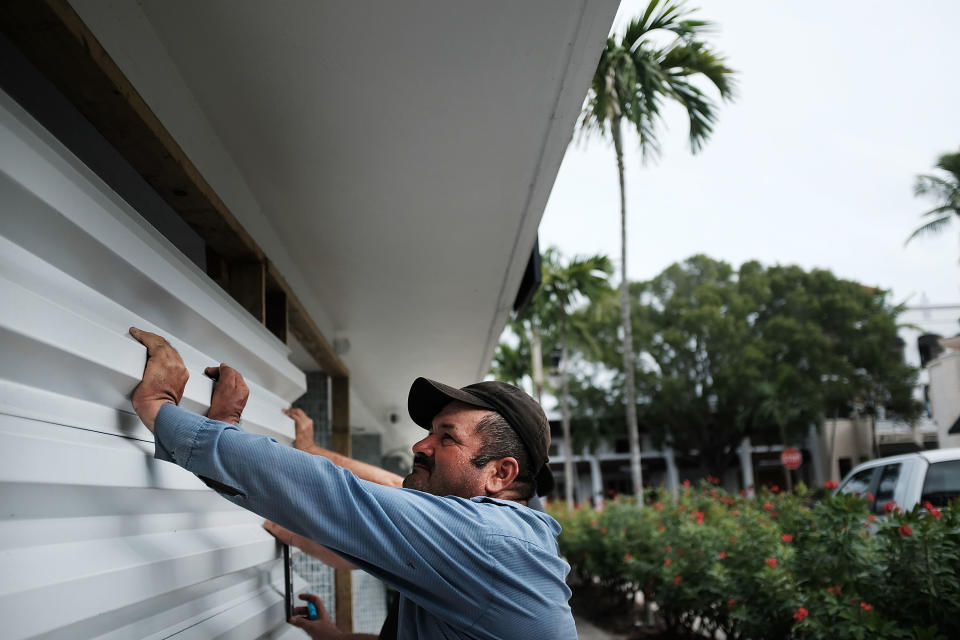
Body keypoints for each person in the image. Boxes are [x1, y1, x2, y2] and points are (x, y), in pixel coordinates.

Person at [127, 327, 576, 640]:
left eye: (446, 437)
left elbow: (340, 496)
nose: (420, 446)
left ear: (501, 474)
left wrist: (161, 408)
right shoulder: (495, 545)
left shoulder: (489, 542)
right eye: (429, 431)